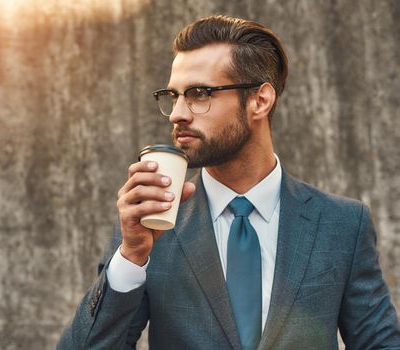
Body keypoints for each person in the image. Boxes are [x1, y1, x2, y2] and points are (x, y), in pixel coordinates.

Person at [57, 15, 400, 349]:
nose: (177, 113)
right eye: (173, 95)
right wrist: (131, 256)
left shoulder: (341, 223)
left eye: (200, 93)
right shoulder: (149, 225)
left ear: (260, 101)